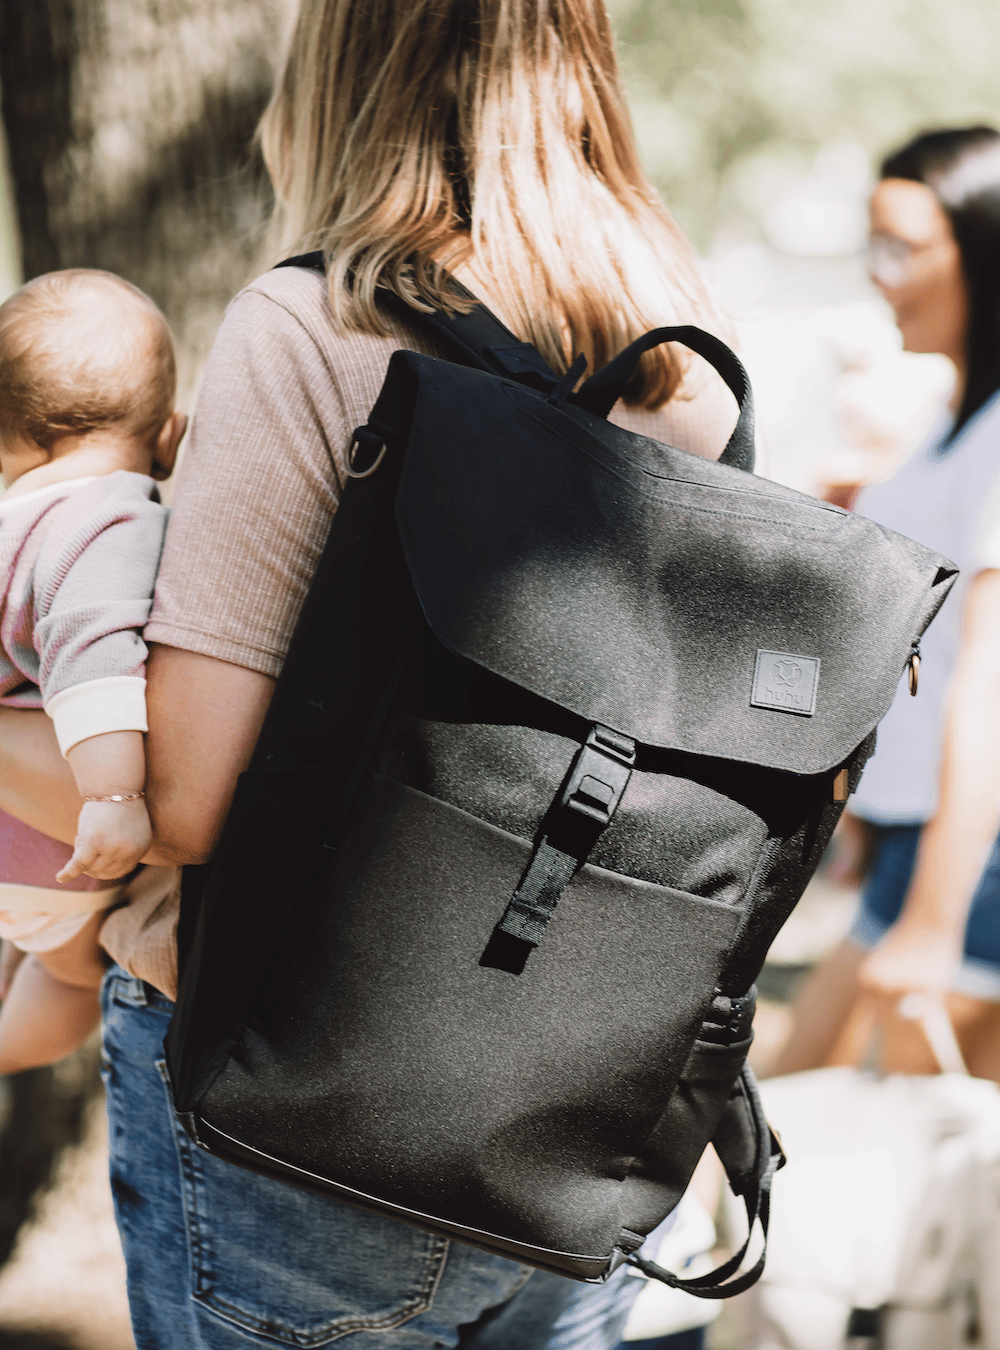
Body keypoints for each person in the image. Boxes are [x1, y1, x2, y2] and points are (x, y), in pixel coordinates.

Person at [0, 1, 739, 1345]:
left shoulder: (319, 321)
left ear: (339, 64)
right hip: (582, 1116)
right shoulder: (688, 351)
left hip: (300, 1106)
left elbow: (184, 800)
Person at [773, 126, 1000, 1081]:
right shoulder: (954, 420)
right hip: (919, 834)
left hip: (969, 860)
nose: (878, 275)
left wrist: (935, 921)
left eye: (903, 247)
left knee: (826, 1151)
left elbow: (987, 689)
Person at [0, 269, 185, 1074]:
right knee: (75, 979)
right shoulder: (106, 516)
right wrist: (115, 796)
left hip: (14, 843)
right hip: (55, 848)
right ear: (171, 437)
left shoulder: (11, 528)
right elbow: (90, 652)